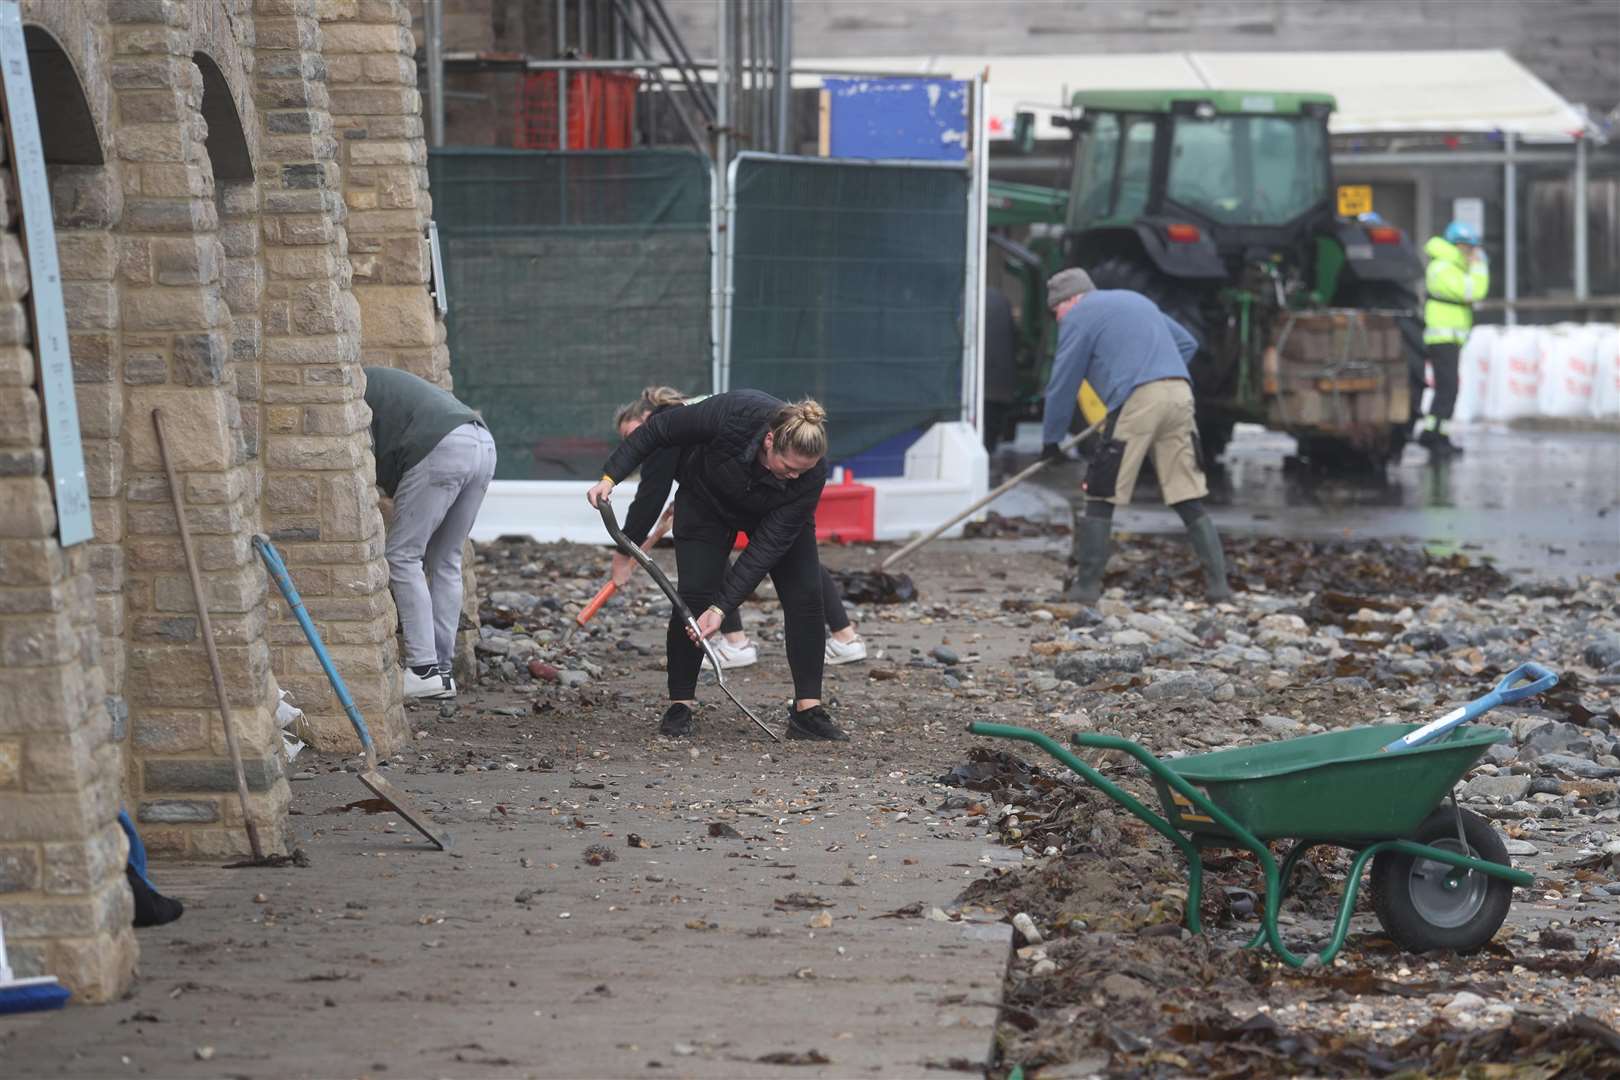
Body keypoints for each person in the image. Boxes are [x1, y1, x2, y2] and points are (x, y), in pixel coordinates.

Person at [586, 390, 849, 742]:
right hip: (705, 502)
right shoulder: (733, 413)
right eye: (788, 468)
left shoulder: (808, 476)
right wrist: (610, 478)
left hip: (772, 514)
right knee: (694, 595)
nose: (794, 477)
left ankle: (807, 711)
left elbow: (765, 548)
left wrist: (723, 608)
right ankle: (681, 703)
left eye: (803, 471)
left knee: (805, 594)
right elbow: (656, 432)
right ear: (769, 441)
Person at [610, 387, 867, 669]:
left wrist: (625, 551)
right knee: (784, 557)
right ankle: (842, 636)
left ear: (646, 415)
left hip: (739, 494)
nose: (632, 444)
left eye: (631, 434)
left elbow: (651, 494)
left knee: (780, 555)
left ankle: (737, 642)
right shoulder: (692, 409)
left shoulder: (663, 423)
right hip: (721, 490)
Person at [1039, 267, 1231, 604]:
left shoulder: (1078, 316)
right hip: (1179, 393)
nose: (1057, 319)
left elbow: (1062, 383)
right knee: (1186, 493)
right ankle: (1219, 589)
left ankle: (1085, 589)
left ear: (1068, 300)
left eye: (1055, 311)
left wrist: (1051, 441)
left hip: (1139, 400)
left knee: (1102, 491)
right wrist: (1158, 371)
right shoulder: (1134, 300)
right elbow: (1187, 343)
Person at [363, 366, 497, 699]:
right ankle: (442, 671)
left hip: (442, 446)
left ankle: (423, 669)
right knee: (446, 558)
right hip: (481, 442)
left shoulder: (348, 389)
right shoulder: (379, 381)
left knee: (403, 555)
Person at [1420, 220, 1489, 458]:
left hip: (1449, 337)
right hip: (1443, 336)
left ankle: (1436, 432)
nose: (1471, 253)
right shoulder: (1443, 267)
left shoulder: (1450, 266)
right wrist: (1480, 268)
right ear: (1456, 245)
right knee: (1448, 389)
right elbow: (1473, 291)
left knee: (1447, 388)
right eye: (1467, 248)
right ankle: (1435, 437)